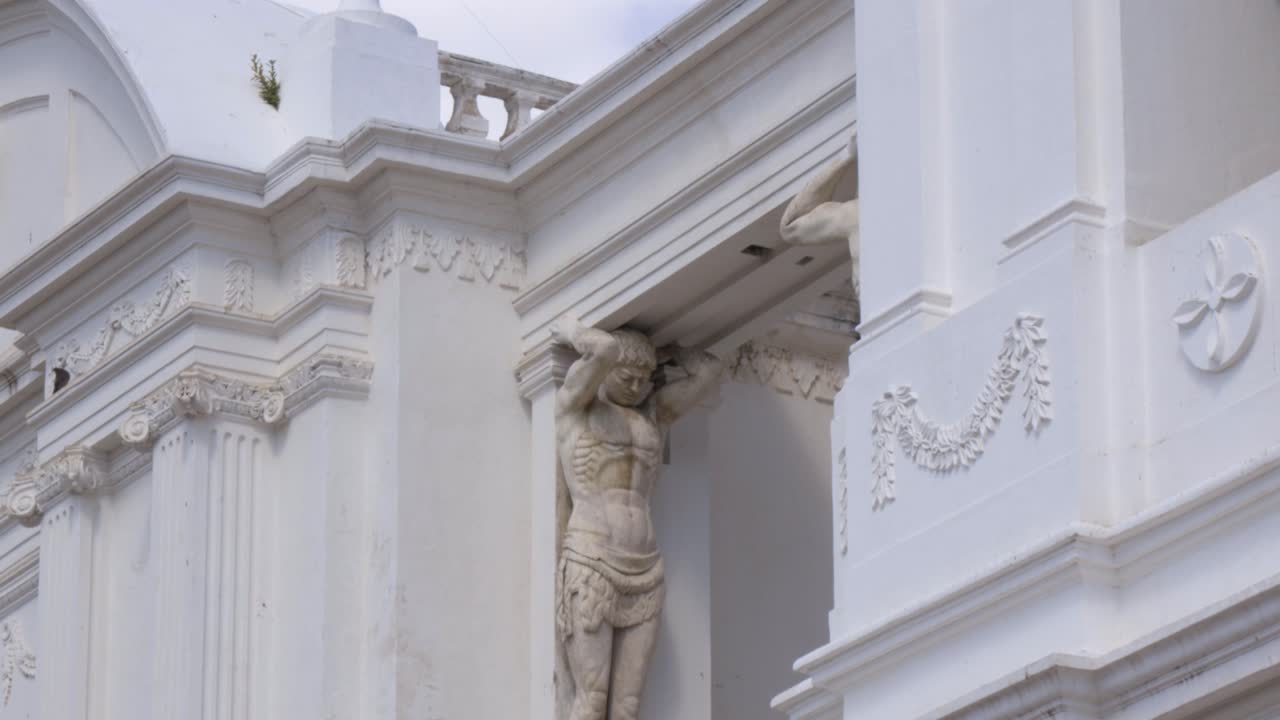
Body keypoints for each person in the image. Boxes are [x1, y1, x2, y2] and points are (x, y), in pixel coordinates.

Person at [551, 317, 723, 720]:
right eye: (627, 378)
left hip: (645, 569)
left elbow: (710, 372)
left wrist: (671, 348)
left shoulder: (651, 417)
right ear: (605, 372)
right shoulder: (576, 410)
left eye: (642, 380)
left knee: (627, 707)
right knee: (592, 700)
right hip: (592, 562)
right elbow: (604, 349)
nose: (635, 387)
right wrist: (572, 331)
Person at [779, 135, 859, 257]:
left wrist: (846, 157)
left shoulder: (856, 212)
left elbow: (791, 227)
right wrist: (847, 156)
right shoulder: (856, 213)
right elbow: (791, 228)